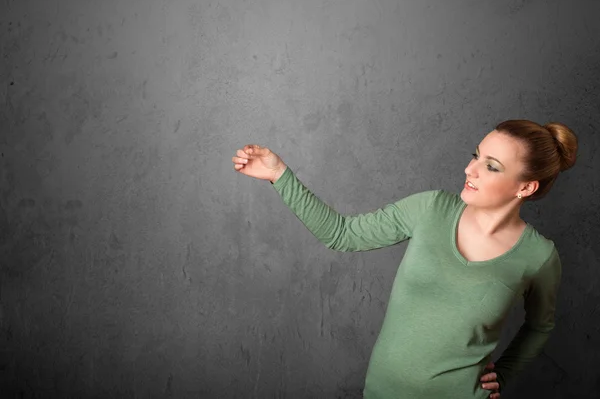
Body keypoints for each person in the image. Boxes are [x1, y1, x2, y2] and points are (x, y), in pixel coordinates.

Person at [231, 119, 577, 398]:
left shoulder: (538, 256)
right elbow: (342, 234)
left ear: (525, 187)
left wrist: (503, 373)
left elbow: (540, 326)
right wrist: (279, 175)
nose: (470, 169)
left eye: (491, 166)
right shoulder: (430, 208)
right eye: (476, 155)